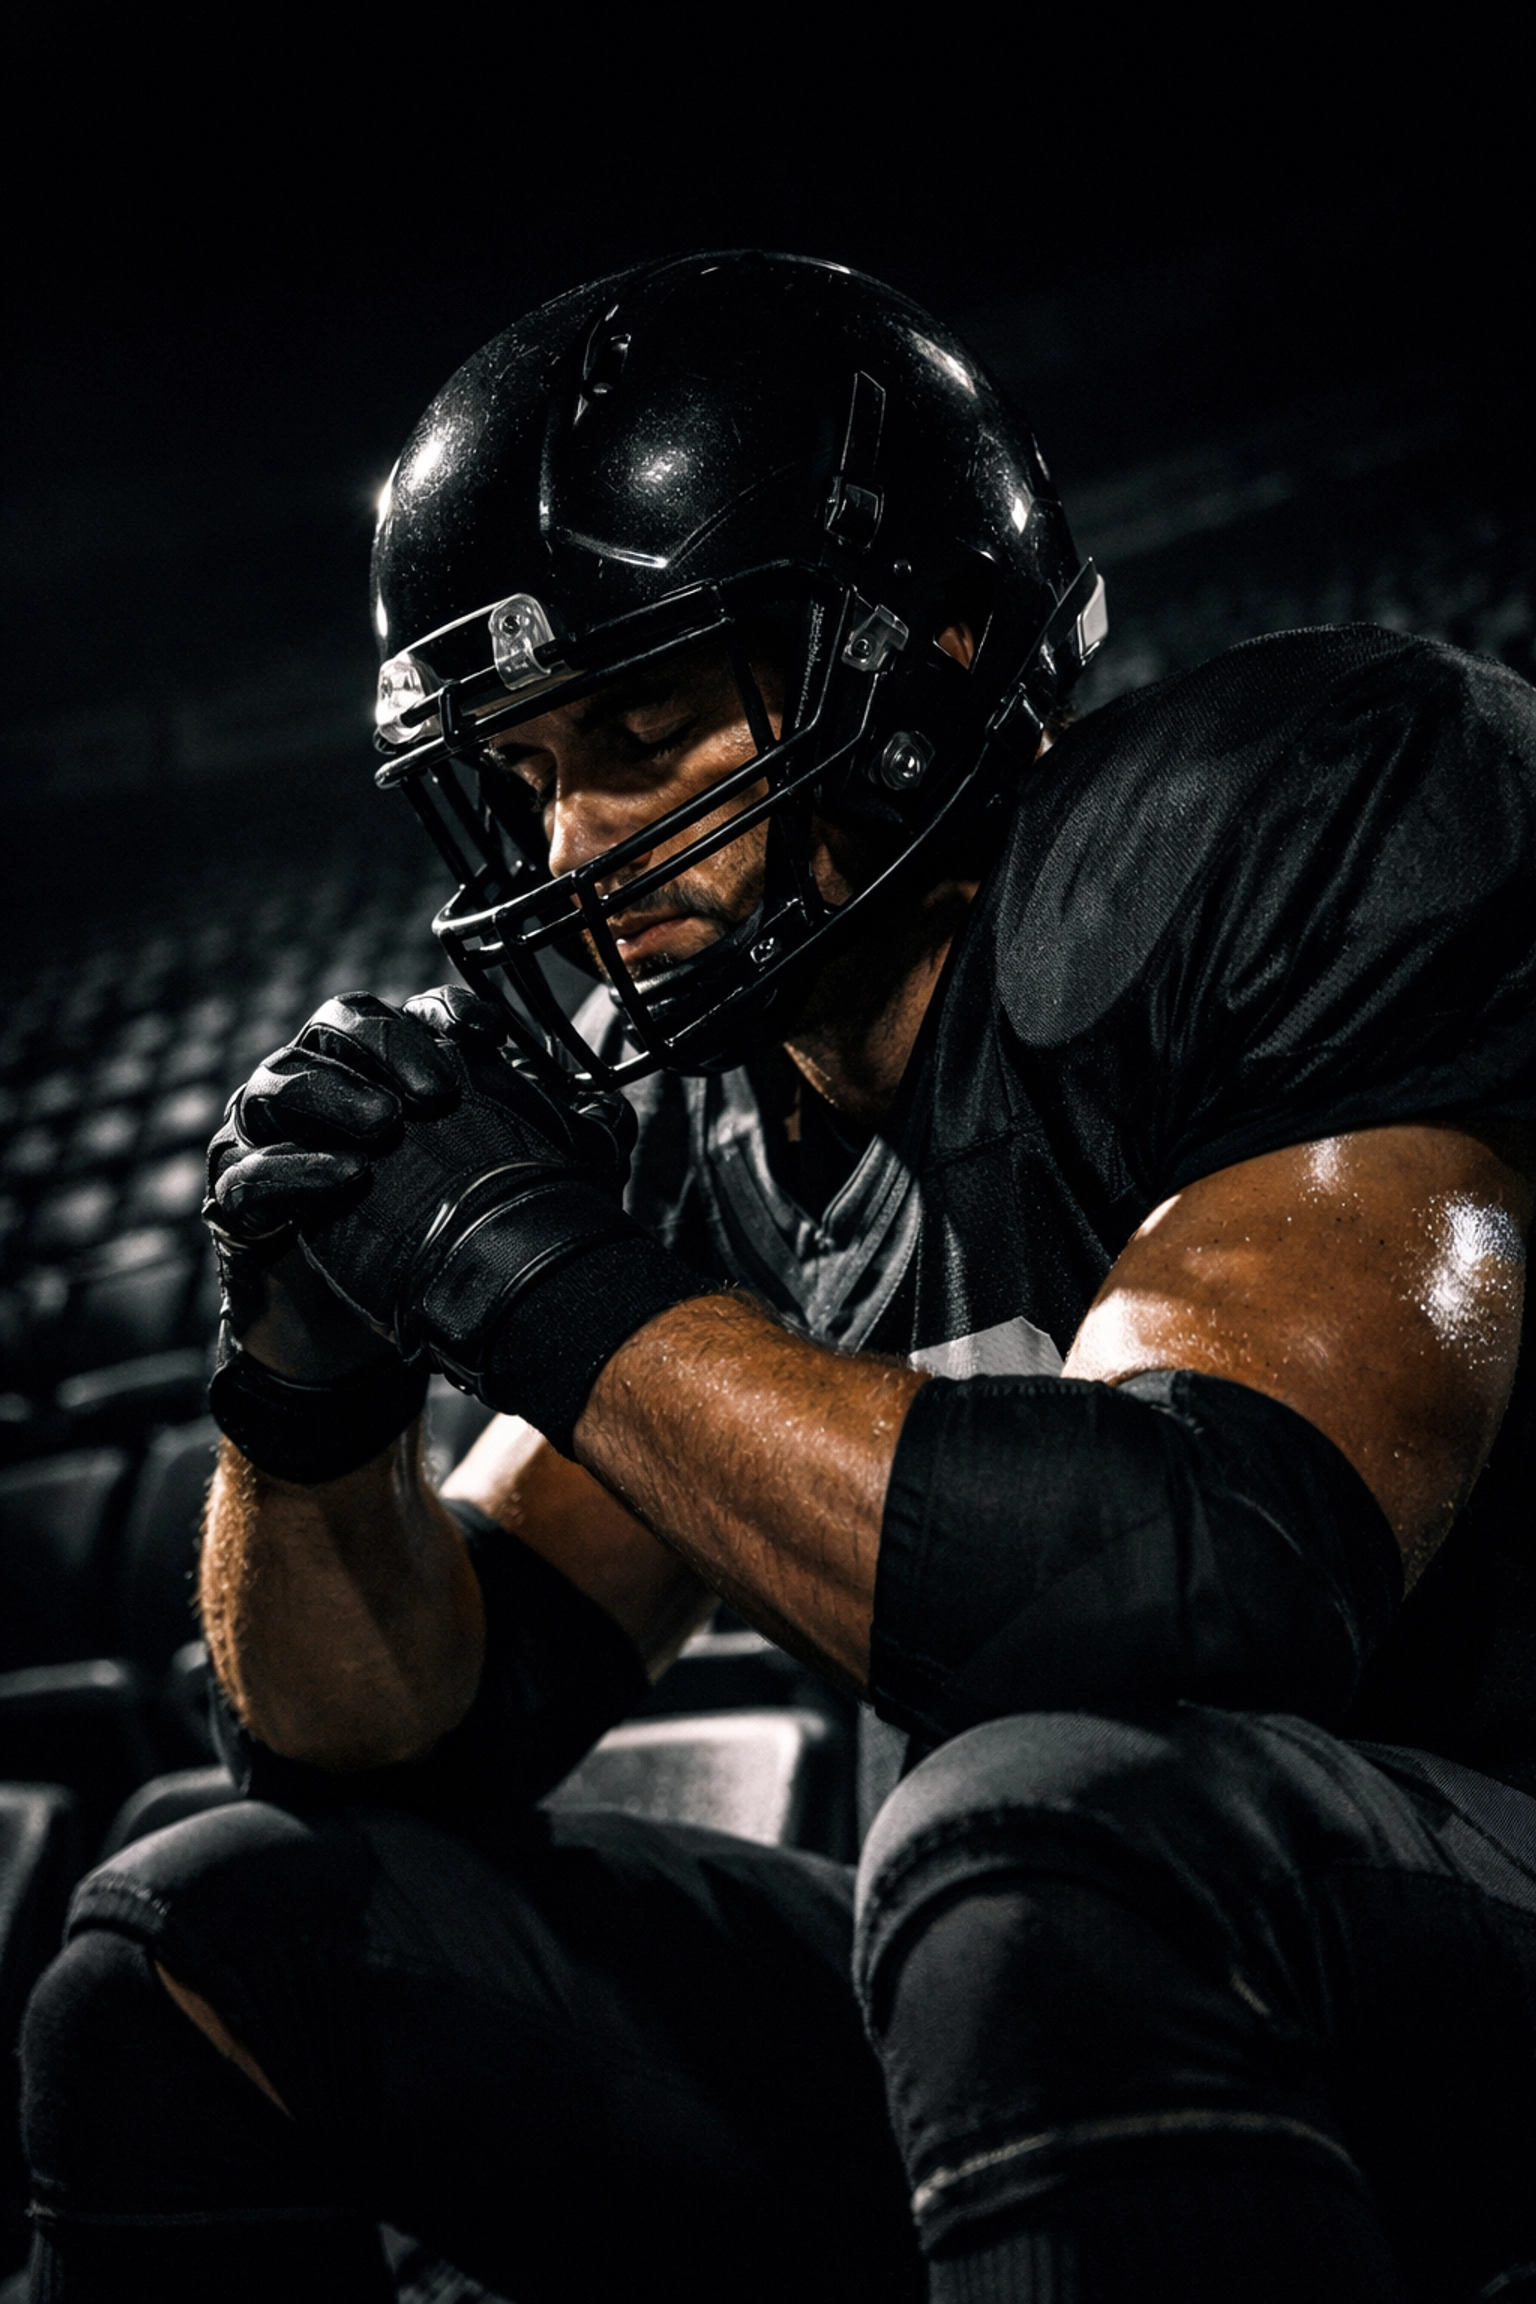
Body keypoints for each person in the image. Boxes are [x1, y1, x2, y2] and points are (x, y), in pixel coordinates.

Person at [17, 251, 1535, 2304]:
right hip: (1038, 1965)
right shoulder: (717, 1128)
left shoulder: (1284, 816)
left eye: (639, 726)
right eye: (526, 771)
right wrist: (309, 1391)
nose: (568, 855)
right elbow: (388, 1736)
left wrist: (523, 1266)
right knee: (194, 1935)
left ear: (935, 652)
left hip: (1425, 1939)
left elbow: (1217, 1569)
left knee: (1038, 1841)